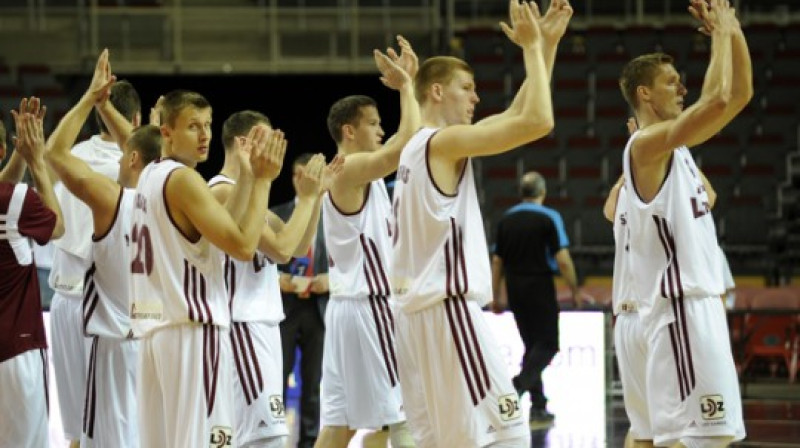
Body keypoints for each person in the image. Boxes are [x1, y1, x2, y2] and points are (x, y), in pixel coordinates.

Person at [389, 0, 569, 445]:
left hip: (416, 317)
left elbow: (514, 115)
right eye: (466, 88)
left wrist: (545, 46)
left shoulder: (415, 147)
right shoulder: (443, 143)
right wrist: (531, 46)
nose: (476, 98)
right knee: (507, 434)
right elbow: (537, 120)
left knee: (443, 441)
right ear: (435, 92)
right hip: (448, 311)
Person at [617, 0, 750, 446]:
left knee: (699, 437)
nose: (681, 89)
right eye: (670, 83)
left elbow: (741, 95)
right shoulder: (645, 145)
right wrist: (718, 37)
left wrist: (732, 32)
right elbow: (717, 98)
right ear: (644, 95)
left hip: (698, 306)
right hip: (680, 311)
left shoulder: (680, 150)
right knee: (697, 439)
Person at [129, 89, 285, 448]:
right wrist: (263, 180)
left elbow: (222, 231)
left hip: (156, 335)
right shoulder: (184, 180)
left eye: (208, 125)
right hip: (193, 331)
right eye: (193, 127)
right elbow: (245, 247)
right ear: (166, 132)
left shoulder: (150, 177)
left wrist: (246, 174)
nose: (205, 136)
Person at [43, 50, 160, 448]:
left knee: (79, 430)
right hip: (115, 310)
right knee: (128, 427)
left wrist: (92, 99)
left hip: (68, 298)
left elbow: (50, 155)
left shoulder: (75, 158)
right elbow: (143, 148)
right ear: (140, 121)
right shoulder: (145, 169)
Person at [314, 38, 419, 448]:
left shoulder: (359, 174)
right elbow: (405, 146)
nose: (382, 129)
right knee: (397, 417)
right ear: (349, 130)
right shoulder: (349, 167)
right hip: (368, 307)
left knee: (343, 426)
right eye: (374, 123)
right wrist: (407, 87)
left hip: (348, 308)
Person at [209, 109, 334, 448]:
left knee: (252, 438)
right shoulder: (221, 191)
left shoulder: (252, 196)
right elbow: (280, 250)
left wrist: (317, 197)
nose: (277, 148)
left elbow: (297, 246)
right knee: (268, 439)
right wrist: (306, 198)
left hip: (260, 326)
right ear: (243, 142)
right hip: (242, 326)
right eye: (268, 139)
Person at [491, 170, 581, 424]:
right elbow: (562, 259)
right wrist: (574, 290)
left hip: (515, 288)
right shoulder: (549, 217)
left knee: (532, 347)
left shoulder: (506, 220)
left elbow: (497, 261)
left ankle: (539, 406)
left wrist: (496, 294)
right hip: (540, 285)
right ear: (543, 192)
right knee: (548, 345)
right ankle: (516, 386)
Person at [0, 97, 64, 447]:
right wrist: (36, 160)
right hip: (17, 349)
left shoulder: (10, 200)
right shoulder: (17, 200)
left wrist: (17, 158)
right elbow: (57, 227)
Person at [272, 152, 330, 448]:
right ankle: (277, 437)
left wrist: (331, 280)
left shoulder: (330, 215)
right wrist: (278, 280)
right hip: (284, 308)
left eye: (306, 175)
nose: (301, 180)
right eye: (296, 174)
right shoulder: (277, 214)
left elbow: (347, 262)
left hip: (318, 309)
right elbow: (258, 261)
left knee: (313, 383)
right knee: (277, 379)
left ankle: (309, 442)